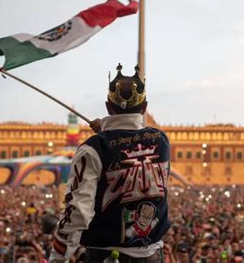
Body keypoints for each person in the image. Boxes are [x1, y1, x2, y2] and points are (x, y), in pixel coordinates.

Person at [50, 64, 171, 263]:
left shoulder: (93, 148)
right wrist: (107, 130)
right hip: (152, 254)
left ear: (108, 106)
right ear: (145, 107)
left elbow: (77, 211)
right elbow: (134, 137)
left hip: (105, 255)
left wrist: (57, 258)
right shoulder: (161, 141)